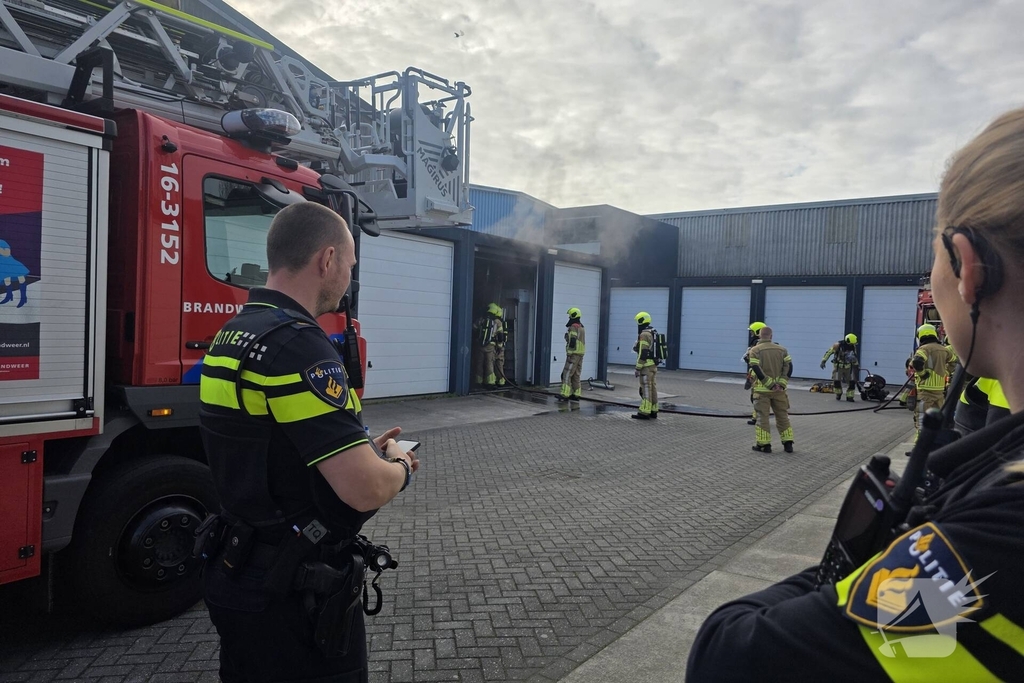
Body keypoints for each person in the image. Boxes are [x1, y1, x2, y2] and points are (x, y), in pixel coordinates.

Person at [687, 106, 1024, 682]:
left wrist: (880, 553)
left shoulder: (999, 531)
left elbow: (733, 655)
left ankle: (774, 442)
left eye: (932, 264)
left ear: (971, 269)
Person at [198, 202, 420, 683]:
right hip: (292, 596)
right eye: (351, 265)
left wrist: (357, 448)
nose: (349, 279)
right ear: (327, 260)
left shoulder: (233, 333)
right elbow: (362, 489)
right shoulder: (298, 344)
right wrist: (397, 465)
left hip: (236, 573)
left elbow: (266, 446)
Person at [747, 326, 794, 453]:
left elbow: (756, 368)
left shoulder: (754, 350)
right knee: (783, 416)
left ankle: (764, 445)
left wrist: (769, 384)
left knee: (763, 418)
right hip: (780, 391)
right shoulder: (782, 350)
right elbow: (789, 367)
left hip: (762, 392)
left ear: (760, 336)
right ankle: (788, 443)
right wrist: (781, 383)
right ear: (771, 336)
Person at [911, 323, 958, 439]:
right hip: (939, 391)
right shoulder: (943, 349)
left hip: (925, 391)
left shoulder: (924, 349)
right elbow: (955, 360)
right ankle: (935, 442)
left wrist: (922, 374)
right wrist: (946, 372)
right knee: (938, 418)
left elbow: (917, 361)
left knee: (922, 417)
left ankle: (920, 445)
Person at [632, 311, 658, 420]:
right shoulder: (653, 332)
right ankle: (653, 410)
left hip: (646, 366)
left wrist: (638, 368)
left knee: (646, 388)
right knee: (652, 388)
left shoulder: (644, 334)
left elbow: (643, 352)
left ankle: (645, 412)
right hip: (653, 365)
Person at [472, 303, 503, 388]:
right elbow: (500, 336)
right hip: (490, 346)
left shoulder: (480, 320)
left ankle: (478, 381)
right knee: (489, 363)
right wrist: (499, 347)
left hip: (480, 345)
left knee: (479, 363)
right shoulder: (497, 322)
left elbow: (473, 329)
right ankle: (490, 382)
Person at [821, 333, 860, 402]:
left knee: (852, 382)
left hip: (849, 367)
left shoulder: (853, 347)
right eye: (851, 344)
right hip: (838, 367)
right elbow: (829, 352)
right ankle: (838, 394)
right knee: (836, 381)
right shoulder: (837, 346)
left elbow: (854, 357)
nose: (851, 345)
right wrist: (824, 361)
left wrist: (856, 365)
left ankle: (850, 397)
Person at [559, 307, 586, 400]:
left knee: (567, 374)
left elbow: (573, 341)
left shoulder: (573, 327)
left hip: (573, 354)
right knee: (576, 374)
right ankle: (576, 394)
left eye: (570, 315)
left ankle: (564, 394)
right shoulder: (581, 327)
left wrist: (569, 353)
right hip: (580, 354)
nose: (569, 318)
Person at [743, 322, 767, 425]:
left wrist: (747, 358)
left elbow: (755, 359)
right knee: (755, 397)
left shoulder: (758, 344)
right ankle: (756, 417)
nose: (751, 334)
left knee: (756, 397)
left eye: (753, 332)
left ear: (758, 331)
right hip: (755, 373)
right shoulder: (760, 343)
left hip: (758, 374)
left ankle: (757, 418)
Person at [0, 238, 29, 307]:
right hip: (3, 265)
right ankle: (9, 295)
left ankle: (23, 298)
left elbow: (7, 254)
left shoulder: (2, 242)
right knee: (6, 280)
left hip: (10, 263)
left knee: (20, 278)